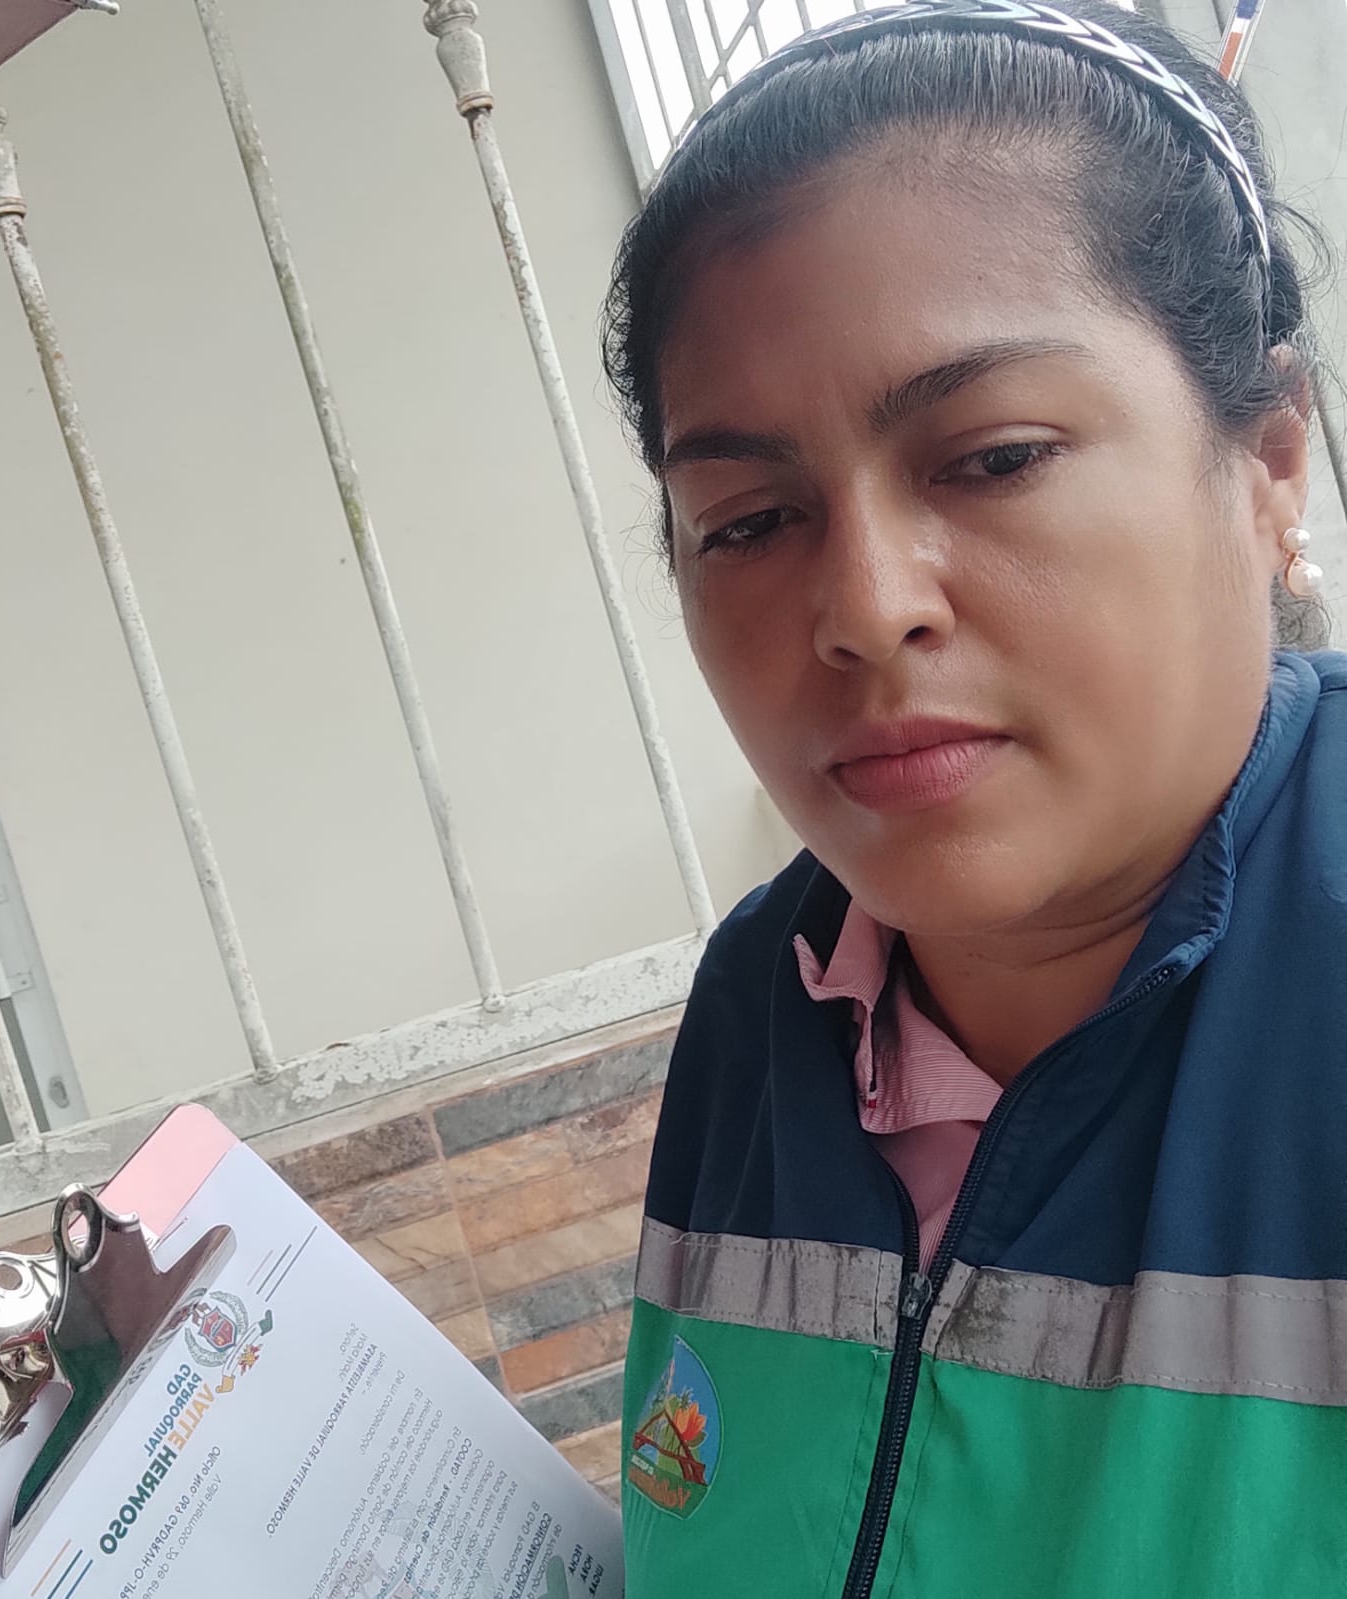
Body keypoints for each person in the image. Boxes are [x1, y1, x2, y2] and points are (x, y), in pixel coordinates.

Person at [601, 1, 1346, 1593]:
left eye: (995, 456)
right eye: (748, 521)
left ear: (1272, 459)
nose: (867, 608)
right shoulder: (762, 1006)